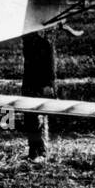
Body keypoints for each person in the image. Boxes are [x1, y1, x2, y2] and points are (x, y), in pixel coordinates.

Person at [21, 29, 56, 162]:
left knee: (38, 119)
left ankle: (41, 152)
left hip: (40, 86)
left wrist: (48, 85)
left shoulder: (43, 44)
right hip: (29, 85)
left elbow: (50, 66)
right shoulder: (29, 44)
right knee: (30, 119)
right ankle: (33, 151)